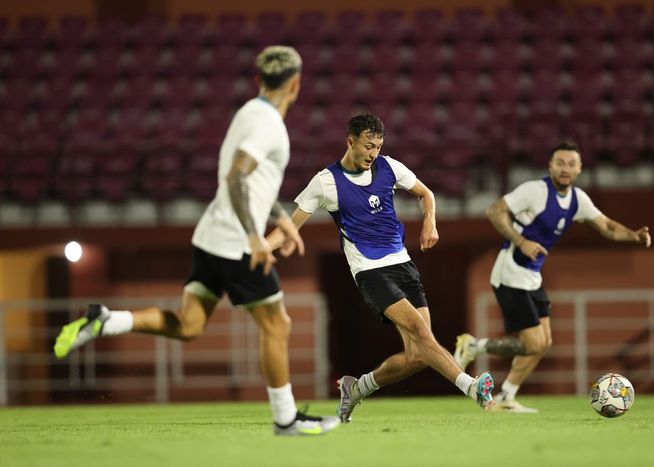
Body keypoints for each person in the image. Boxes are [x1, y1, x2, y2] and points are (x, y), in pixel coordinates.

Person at [53, 45, 339, 436]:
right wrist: (256, 237)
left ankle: (106, 319)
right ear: (296, 85)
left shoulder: (248, 113)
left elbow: (249, 180)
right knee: (278, 325)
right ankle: (285, 418)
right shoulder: (269, 124)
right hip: (236, 242)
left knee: (189, 325)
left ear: (258, 81)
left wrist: (279, 220)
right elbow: (236, 177)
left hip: (211, 234)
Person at [267, 113, 495, 423]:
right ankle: (472, 388)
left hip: (403, 264)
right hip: (370, 270)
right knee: (420, 331)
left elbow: (425, 194)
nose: (373, 153)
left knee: (418, 356)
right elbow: (288, 228)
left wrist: (430, 221)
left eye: (378, 146)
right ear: (350, 142)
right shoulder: (326, 182)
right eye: (368, 146)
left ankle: (357, 388)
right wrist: (259, 248)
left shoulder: (389, 167)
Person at [453, 141, 652, 413]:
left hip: (531, 276)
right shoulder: (535, 191)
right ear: (550, 165)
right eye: (560, 163)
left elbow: (605, 225)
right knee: (533, 343)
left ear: (580, 168)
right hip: (510, 271)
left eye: (571, 164)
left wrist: (633, 236)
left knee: (543, 343)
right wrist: (521, 241)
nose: (565, 168)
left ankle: (507, 396)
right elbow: (494, 211)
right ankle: (474, 346)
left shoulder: (577, 199)